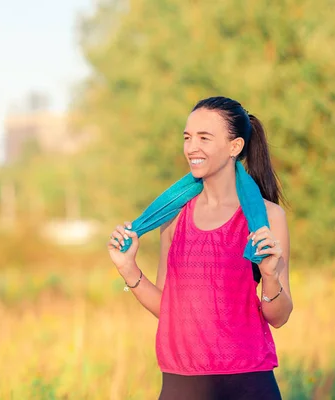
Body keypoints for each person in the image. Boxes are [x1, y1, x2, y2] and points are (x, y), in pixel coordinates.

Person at [107, 96, 293, 399]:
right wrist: (129, 270)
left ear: (235, 147)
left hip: (248, 381)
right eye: (187, 137)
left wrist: (270, 276)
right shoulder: (173, 217)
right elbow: (169, 309)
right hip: (182, 382)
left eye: (204, 138)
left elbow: (280, 316)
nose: (191, 147)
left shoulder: (267, 218)